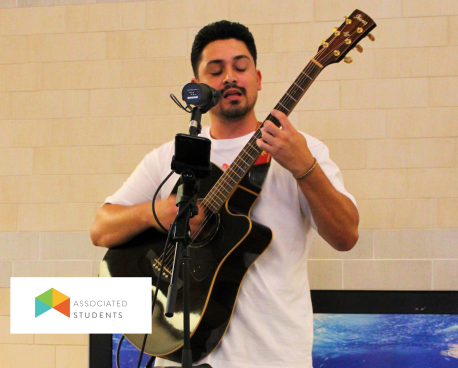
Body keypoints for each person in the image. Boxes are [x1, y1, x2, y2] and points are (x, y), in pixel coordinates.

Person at [91, 20, 359, 368]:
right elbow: (101, 228)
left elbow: (346, 236)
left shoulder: (304, 151)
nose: (230, 77)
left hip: (273, 358)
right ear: (196, 86)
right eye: (216, 71)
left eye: (241, 67)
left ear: (258, 79)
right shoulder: (172, 157)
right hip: (179, 356)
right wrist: (162, 212)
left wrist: (303, 166)